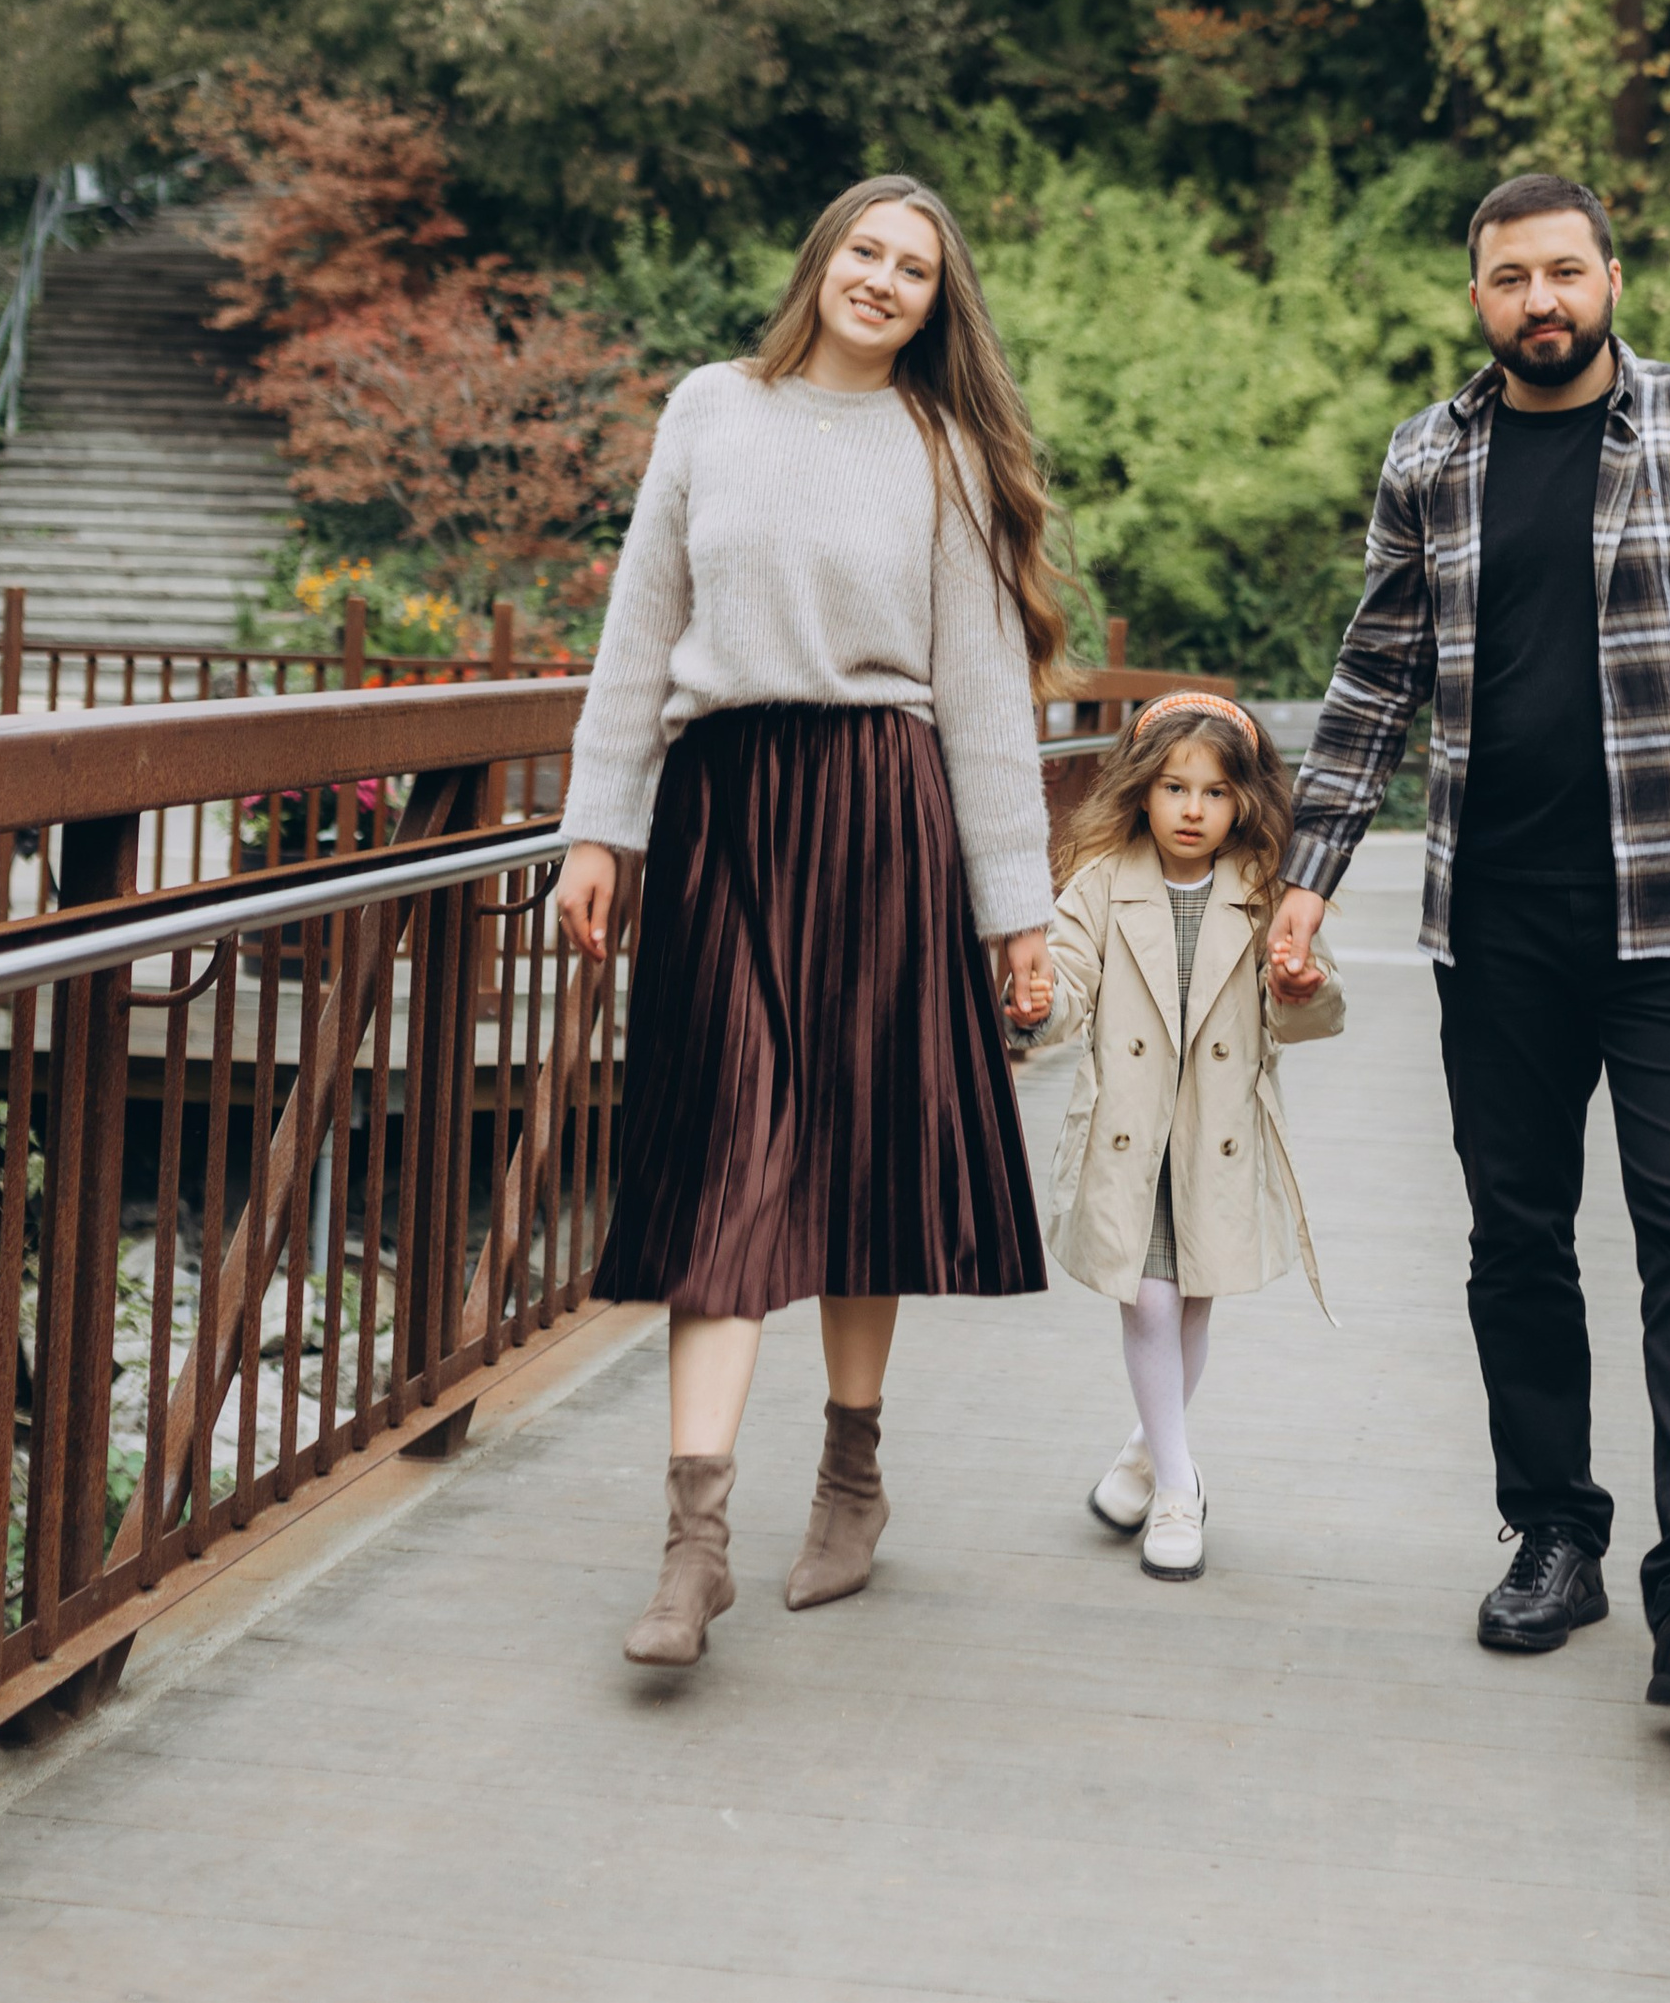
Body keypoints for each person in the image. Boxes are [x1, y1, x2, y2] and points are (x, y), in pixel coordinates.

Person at [1267, 174, 1670, 1717]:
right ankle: (1554, 1534)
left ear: (1610, 278)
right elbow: (1376, 678)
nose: (1542, 299)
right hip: (1498, 919)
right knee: (1516, 1238)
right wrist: (1309, 869)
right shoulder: (1430, 454)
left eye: (1566, 272)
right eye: (1512, 276)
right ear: (1479, 296)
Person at [556, 175, 1060, 1670]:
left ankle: (851, 1477)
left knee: (857, 1147)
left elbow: (979, 692)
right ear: (822, 262)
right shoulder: (711, 407)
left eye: (916, 269)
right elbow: (640, 626)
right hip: (722, 809)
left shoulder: (944, 448)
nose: (886, 281)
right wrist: (602, 827)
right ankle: (692, 1544)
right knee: (724, 1150)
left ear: (934, 302)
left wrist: (1013, 912)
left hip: (883, 811)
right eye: (868, 252)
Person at [1018, 694, 1342, 1580]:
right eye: (1172, 787)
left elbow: (1305, 1012)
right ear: (1141, 790)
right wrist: (1036, 1008)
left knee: (1190, 1297)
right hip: (1131, 1128)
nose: (1192, 809)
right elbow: (1070, 985)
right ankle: (1176, 1487)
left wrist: (1301, 986)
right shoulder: (1098, 884)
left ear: (1244, 801)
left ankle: (1142, 1452)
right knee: (1152, 1300)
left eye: (1213, 792)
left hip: (1216, 1131)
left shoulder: (1265, 893)